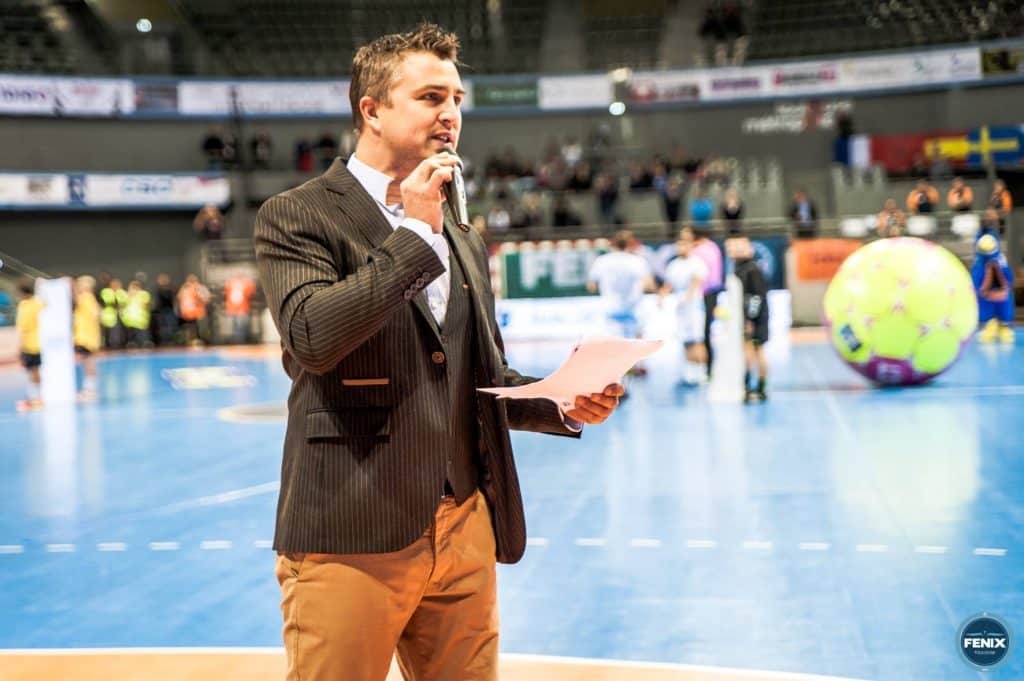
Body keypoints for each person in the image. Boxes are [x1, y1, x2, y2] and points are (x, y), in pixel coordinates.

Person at [252, 24, 623, 681]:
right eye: (430, 97)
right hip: (352, 531)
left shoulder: (462, 232)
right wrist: (415, 234)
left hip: (464, 528)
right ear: (371, 109)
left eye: (456, 98)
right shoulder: (298, 215)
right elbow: (312, 336)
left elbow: (480, 375)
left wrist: (561, 399)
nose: (451, 113)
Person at [587, 229, 656, 341]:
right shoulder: (637, 261)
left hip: (611, 310)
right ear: (630, 244)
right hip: (633, 310)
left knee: (614, 349)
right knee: (637, 348)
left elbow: (591, 287)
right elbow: (649, 285)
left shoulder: (602, 261)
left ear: (613, 243)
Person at [661, 231, 708, 386]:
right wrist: (661, 296)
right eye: (679, 244)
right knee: (685, 341)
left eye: (684, 244)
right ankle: (689, 372)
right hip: (680, 309)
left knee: (697, 341)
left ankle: (701, 371)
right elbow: (668, 284)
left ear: (691, 246)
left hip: (694, 308)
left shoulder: (697, 263)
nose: (681, 247)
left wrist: (687, 298)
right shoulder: (674, 265)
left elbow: (696, 283)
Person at [729, 238, 769, 402]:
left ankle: (758, 387)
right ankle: (750, 385)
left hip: (754, 319)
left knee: (755, 351)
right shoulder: (740, 269)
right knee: (750, 351)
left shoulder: (752, 270)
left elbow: (756, 297)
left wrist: (750, 319)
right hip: (747, 317)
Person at [15, 277, 44, 412]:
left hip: (29, 344)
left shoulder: (24, 306)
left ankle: (35, 399)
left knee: (33, 371)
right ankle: (36, 397)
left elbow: (23, 328)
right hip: (40, 342)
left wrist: (19, 347)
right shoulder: (38, 303)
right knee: (36, 370)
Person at [72, 275, 101, 401]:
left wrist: (70, 285)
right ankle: (90, 389)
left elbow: (75, 299)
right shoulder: (91, 298)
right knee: (88, 362)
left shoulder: (86, 297)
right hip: (89, 337)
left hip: (86, 337)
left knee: (88, 363)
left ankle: (90, 390)